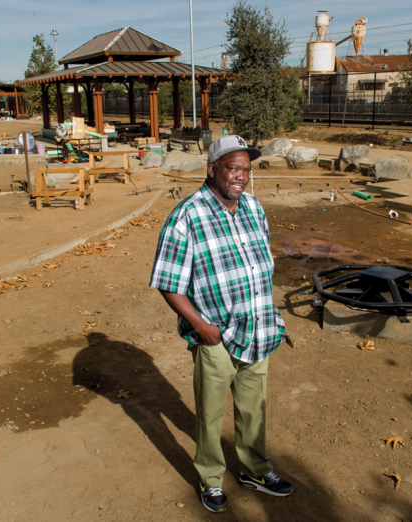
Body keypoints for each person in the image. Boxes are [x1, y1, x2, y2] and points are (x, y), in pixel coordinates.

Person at [150, 135, 292, 513]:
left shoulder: (253, 208)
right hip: (216, 337)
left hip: (258, 329)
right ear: (212, 169)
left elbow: (259, 267)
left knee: (253, 409)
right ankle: (210, 478)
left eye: (246, 169)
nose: (241, 176)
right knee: (210, 415)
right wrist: (201, 327)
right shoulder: (187, 215)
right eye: (233, 167)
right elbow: (168, 283)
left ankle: (254, 470)